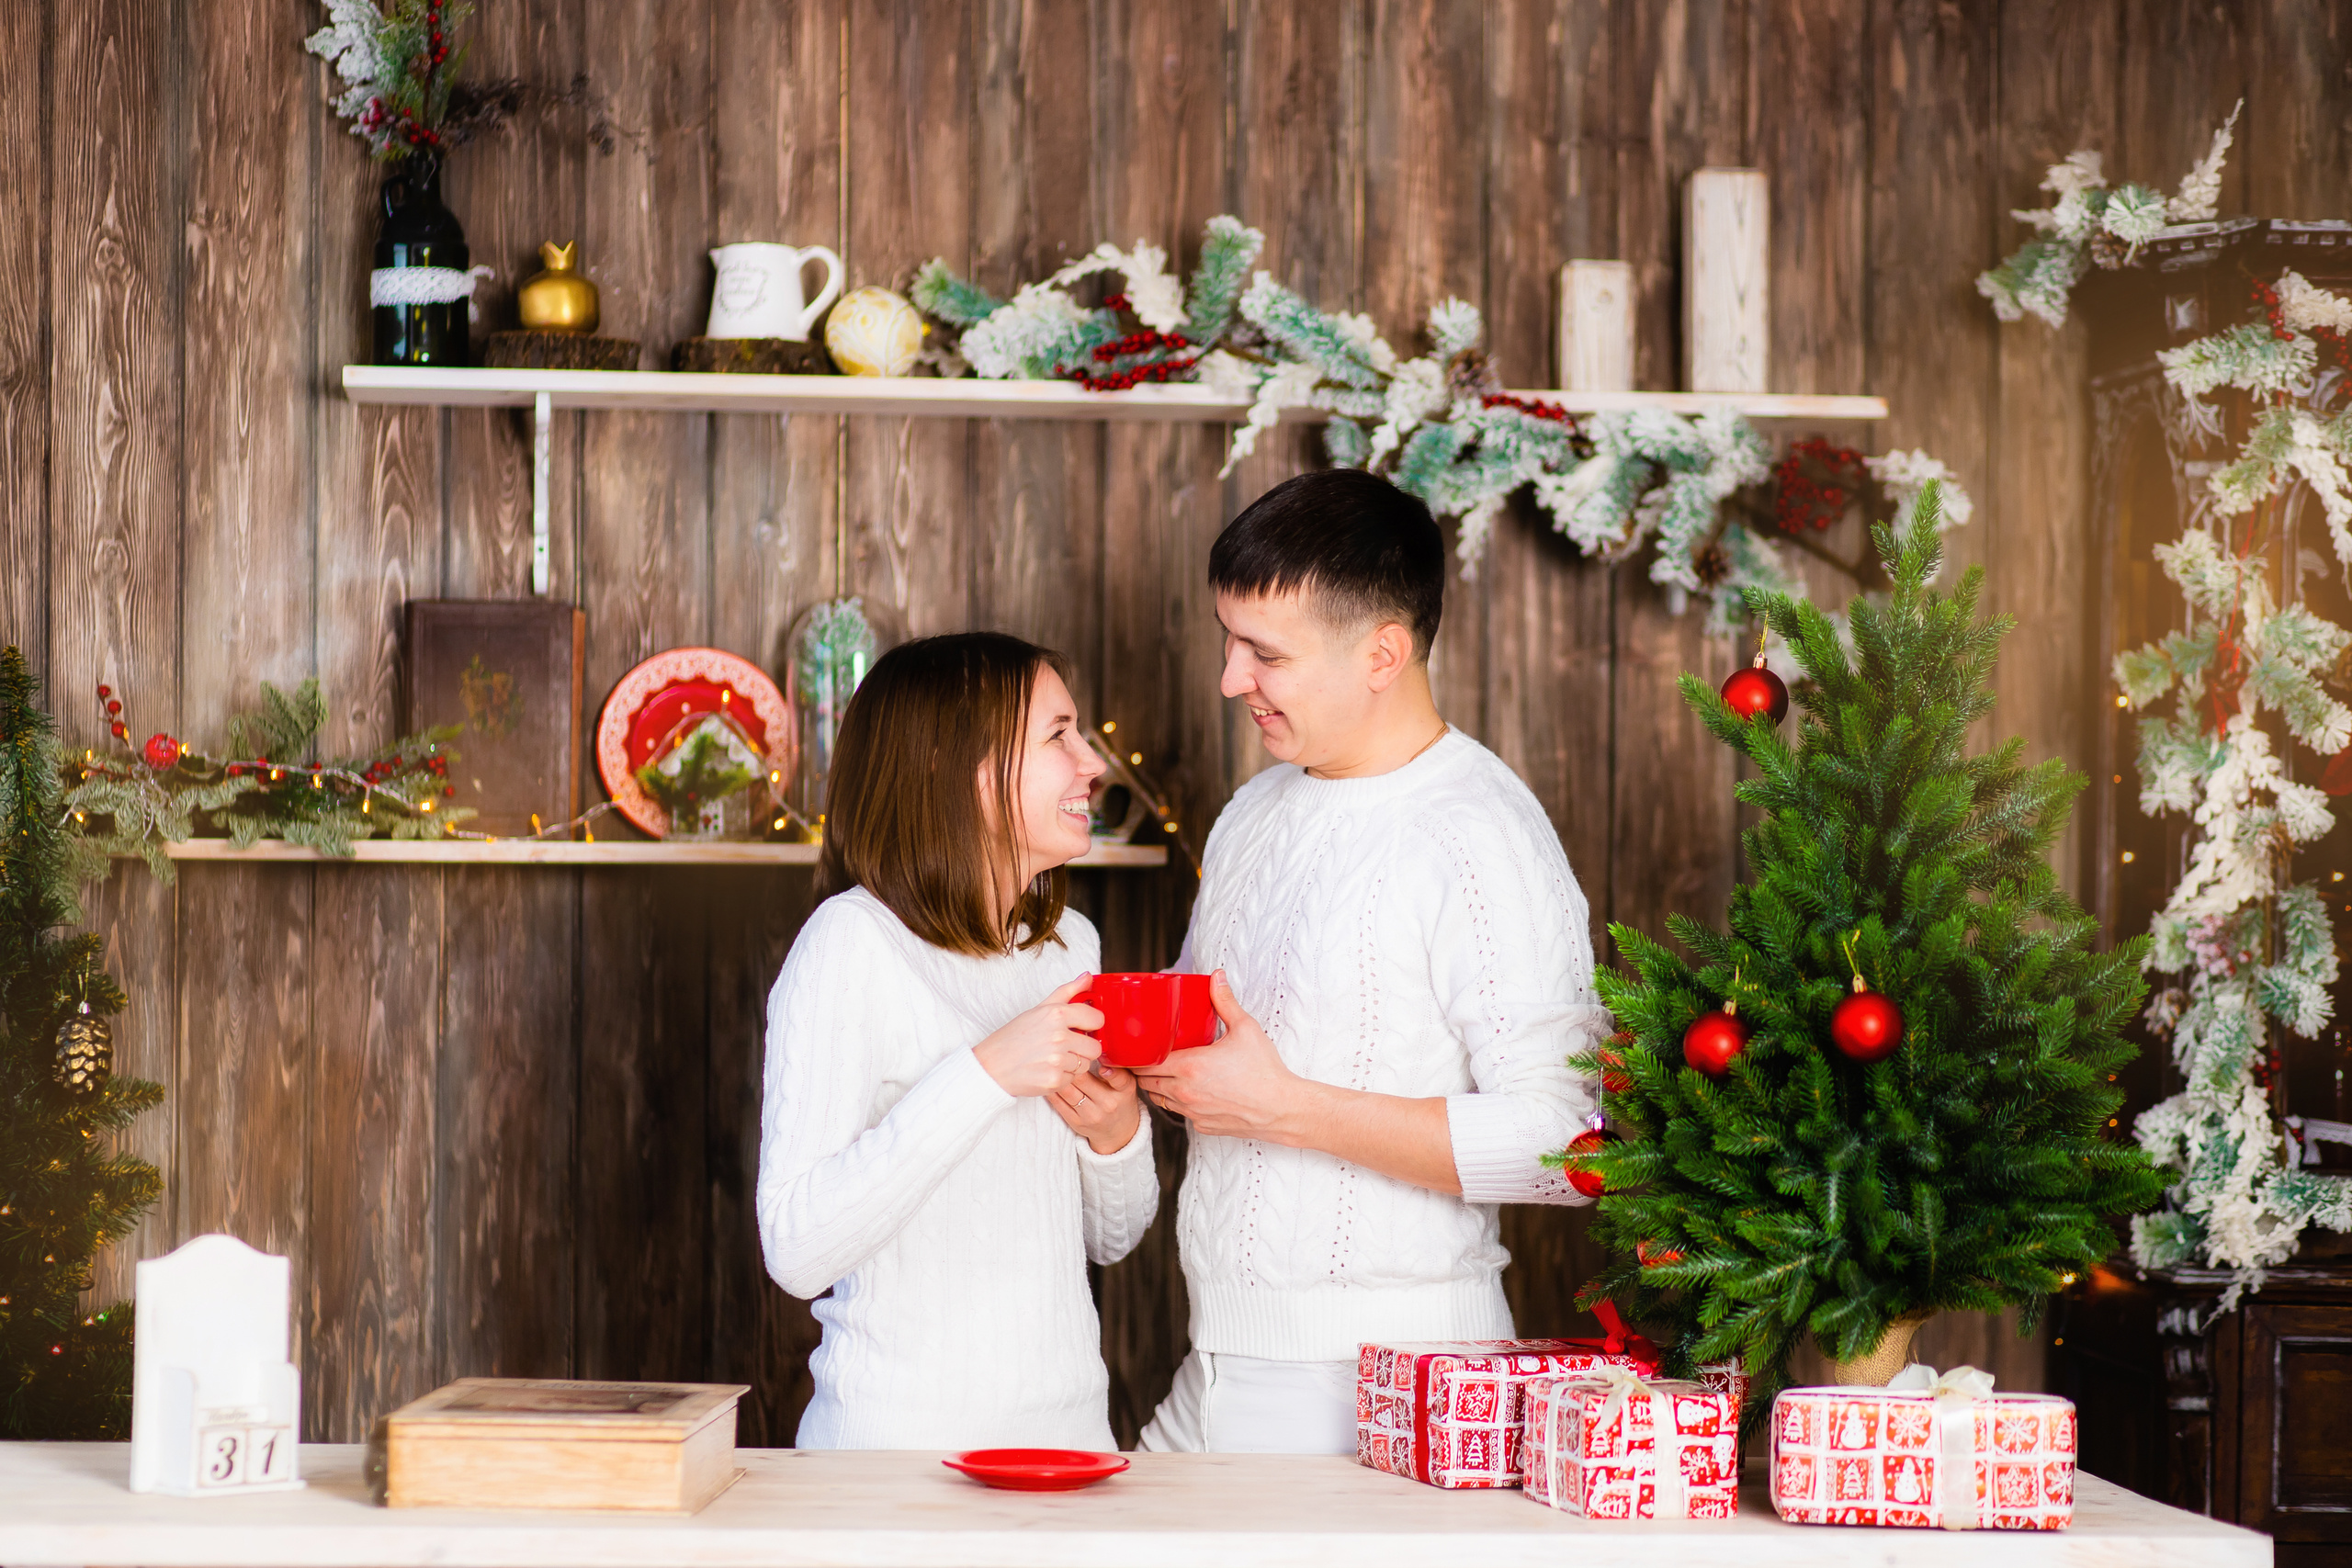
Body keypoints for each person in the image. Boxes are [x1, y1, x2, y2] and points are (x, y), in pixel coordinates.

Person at [1131, 468, 1607, 1455]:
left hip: (1395, 1393)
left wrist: (1282, 1107)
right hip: (1219, 1370)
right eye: (1229, 641)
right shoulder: (1255, 810)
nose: (1230, 680)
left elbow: (1570, 1143)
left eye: (1265, 653)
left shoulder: (1481, 836)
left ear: (1383, 653)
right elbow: (1220, 1060)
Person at [757, 632, 1159, 1450]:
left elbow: (1112, 1240)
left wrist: (1115, 1137)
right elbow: (797, 1248)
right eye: (1058, 736)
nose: (1092, 764)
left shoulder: (1068, 947)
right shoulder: (850, 944)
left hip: (1071, 1448)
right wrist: (983, 1075)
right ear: (959, 767)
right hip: (894, 1464)